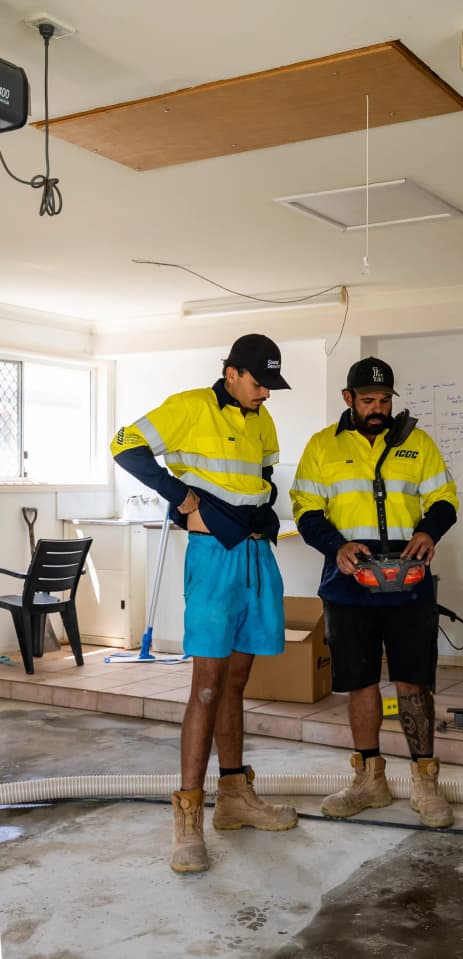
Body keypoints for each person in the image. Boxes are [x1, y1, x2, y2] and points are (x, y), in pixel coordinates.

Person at [111, 333, 298, 873]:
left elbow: (262, 475)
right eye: (260, 383)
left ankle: (235, 798)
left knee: (239, 679)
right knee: (209, 684)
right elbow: (124, 444)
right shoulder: (189, 407)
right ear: (232, 372)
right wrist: (177, 496)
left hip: (256, 552)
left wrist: (267, 507)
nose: (266, 394)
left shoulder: (261, 418)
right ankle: (188, 816)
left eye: (271, 385)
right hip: (213, 554)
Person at [290, 356, 459, 827]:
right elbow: (305, 507)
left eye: (384, 399)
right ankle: (370, 779)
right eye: (368, 400)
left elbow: (445, 498)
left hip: (408, 582)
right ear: (349, 399)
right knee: (358, 681)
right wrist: (336, 546)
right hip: (349, 584)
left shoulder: (417, 443)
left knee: (413, 680)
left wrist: (429, 532)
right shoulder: (322, 446)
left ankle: (425, 782)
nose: (378, 408)